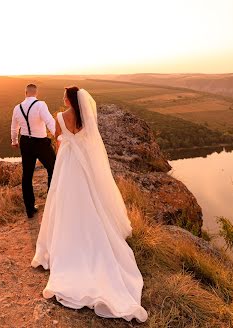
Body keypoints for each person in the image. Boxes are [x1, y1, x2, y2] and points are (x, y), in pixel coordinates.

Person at [31, 86, 148, 322]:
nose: (62, 98)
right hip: (82, 161)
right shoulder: (86, 117)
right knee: (88, 198)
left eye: (64, 95)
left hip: (67, 161)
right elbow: (90, 140)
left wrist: (65, 138)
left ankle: (65, 241)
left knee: (62, 199)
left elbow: (58, 138)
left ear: (69, 99)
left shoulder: (60, 117)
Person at [11, 84, 56, 218]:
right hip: (41, 142)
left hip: (25, 142)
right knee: (53, 168)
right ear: (36, 93)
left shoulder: (17, 108)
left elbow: (14, 128)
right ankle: (52, 203)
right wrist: (58, 137)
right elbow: (49, 121)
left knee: (27, 175)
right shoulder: (40, 105)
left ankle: (30, 209)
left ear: (25, 93)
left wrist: (14, 141)